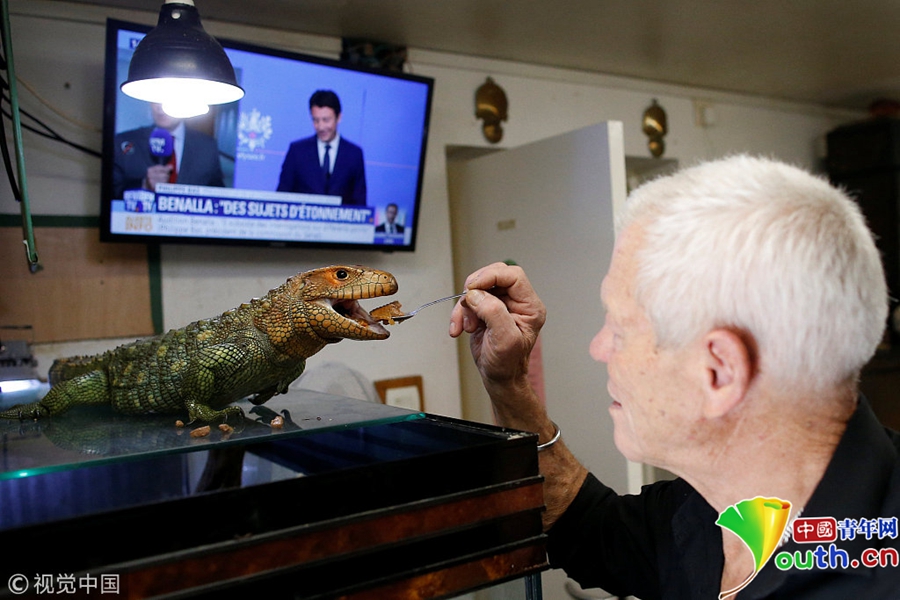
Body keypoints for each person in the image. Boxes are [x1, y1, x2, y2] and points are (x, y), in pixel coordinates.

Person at [449, 155, 900, 598]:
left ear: (719, 372)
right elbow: (584, 525)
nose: (598, 348)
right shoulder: (716, 507)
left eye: (620, 329)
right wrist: (508, 382)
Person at [112, 103, 224, 199]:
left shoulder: (207, 146)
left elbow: (219, 194)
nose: (160, 108)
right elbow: (111, 193)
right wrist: (144, 186)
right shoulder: (124, 142)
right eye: (156, 99)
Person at [276, 90, 367, 206]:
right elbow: (282, 197)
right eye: (316, 120)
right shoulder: (297, 152)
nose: (321, 127)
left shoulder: (354, 154)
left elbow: (360, 204)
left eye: (326, 120)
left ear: (339, 117)